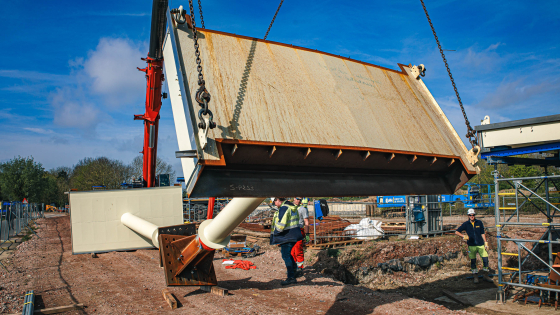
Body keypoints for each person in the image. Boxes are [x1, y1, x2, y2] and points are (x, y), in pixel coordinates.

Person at [270, 197, 303, 285]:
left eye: (274, 201)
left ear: (278, 200)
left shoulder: (284, 208)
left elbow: (281, 225)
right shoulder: (291, 206)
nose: (274, 204)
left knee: (285, 255)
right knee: (288, 254)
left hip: (286, 236)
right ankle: (294, 271)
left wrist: (276, 233)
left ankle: (291, 277)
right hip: (294, 234)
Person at [455, 209, 489, 274]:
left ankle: (485, 275)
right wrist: (463, 236)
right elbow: (456, 232)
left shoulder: (479, 222)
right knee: (473, 261)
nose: (472, 216)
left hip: (480, 244)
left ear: (474, 215)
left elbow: (482, 233)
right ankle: (475, 276)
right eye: (470, 215)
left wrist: (486, 242)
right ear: (468, 216)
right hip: (471, 245)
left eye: (473, 215)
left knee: (485, 259)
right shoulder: (466, 224)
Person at [291, 197, 310, 275]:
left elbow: (306, 221)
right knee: (291, 251)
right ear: (294, 198)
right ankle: (293, 267)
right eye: (297, 199)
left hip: (299, 230)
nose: (298, 200)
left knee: (298, 250)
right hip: (291, 230)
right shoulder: (290, 208)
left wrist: (307, 233)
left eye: (300, 199)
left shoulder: (303, 209)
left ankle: (299, 268)